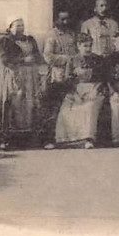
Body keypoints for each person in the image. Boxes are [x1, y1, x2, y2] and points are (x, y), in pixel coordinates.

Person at [52, 34, 106, 149]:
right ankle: (67, 140)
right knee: (66, 109)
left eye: (90, 46)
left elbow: (103, 79)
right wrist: (75, 94)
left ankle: (87, 139)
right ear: (79, 46)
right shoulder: (72, 60)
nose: (88, 49)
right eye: (85, 46)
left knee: (89, 107)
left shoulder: (98, 59)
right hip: (75, 90)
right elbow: (68, 79)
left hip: (94, 89)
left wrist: (95, 90)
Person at [0, 18, 44, 148]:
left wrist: (37, 62)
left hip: (30, 76)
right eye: (17, 26)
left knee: (30, 104)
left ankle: (29, 138)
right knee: (13, 103)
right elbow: (5, 59)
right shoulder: (4, 41)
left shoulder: (30, 39)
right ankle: (7, 139)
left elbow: (38, 56)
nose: (21, 28)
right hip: (14, 75)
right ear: (10, 27)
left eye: (22, 25)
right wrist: (23, 60)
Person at [42, 9, 79, 146]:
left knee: (70, 105)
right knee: (54, 107)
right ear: (56, 20)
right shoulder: (51, 35)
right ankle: (50, 139)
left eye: (67, 19)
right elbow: (48, 56)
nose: (65, 22)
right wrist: (66, 59)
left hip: (71, 74)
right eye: (62, 19)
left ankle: (68, 137)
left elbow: (76, 51)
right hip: (57, 75)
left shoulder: (71, 34)